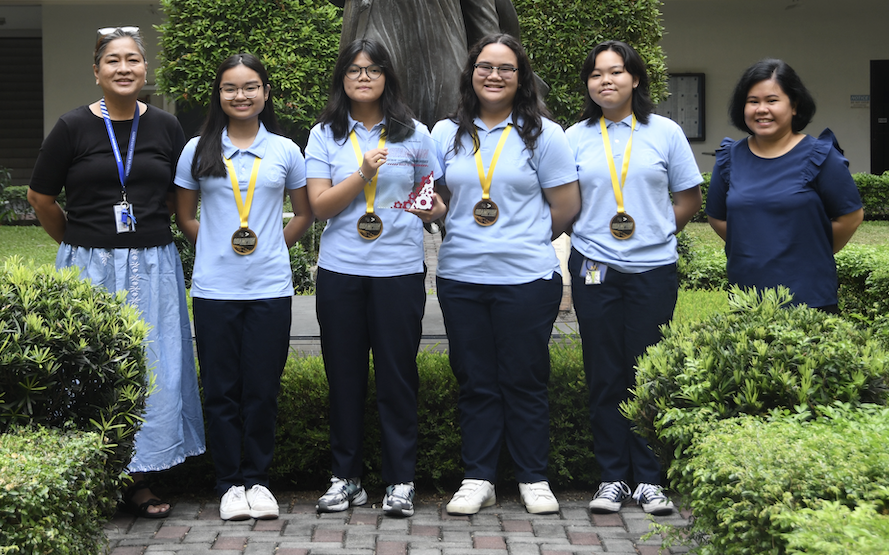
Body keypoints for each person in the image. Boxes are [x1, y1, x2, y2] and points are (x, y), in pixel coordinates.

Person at [27, 26, 205, 518]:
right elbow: (41, 198)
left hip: (153, 263)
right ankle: (90, 475)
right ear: (97, 70)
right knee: (88, 368)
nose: (123, 68)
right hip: (88, 266)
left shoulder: (167, 127)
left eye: (132, 60)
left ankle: (140, 479)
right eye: (113, 61)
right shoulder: (71, 127)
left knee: (155, 366)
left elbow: (178, 195)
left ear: (145, 69)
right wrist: (78, 244)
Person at [431, 33, 580, 516]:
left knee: (524, 378)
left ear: (521, 77)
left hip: (526, 279)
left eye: (506, 68)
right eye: (485, 67)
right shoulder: (444, 133)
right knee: (475, 379)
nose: (494, 76)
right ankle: (479, 478)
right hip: (461, 277)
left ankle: (534, 478)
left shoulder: (544, 134)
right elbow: (438, 197)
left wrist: (522, 236)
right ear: (470, 74)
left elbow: (565, 207)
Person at [304, 38, 443, 518]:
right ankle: (346, 479)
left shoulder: (415, 133)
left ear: (388, 77)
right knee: (343, 377)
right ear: (342, 78)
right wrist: (362, 173)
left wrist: (432, 205)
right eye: (354, 69)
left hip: (399, 271)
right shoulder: (325, 135)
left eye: (373, 69)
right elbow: (320, 206)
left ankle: (400, 481)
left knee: (397, 378)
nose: (363, 77)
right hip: (342, 271)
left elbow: (431, 195)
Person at [564, 40, 702, 516]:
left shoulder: (665, 132)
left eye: (617, 72)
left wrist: (657, 234)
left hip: (652, 270)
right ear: (588, 83)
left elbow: (687, 197)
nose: (607, 80)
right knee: (604, 373)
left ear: (636, 78)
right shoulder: (574, 136)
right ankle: (612, 479)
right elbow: (565, 202)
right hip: (594, 267)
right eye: (597, 73)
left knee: (647, 371)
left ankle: (648, 479)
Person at [174, 53, 314, 521]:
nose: (241, 95)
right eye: (231, 88)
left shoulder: (286, 151)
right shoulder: (197, 149)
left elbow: (305, 214)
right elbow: (186, 216)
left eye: (250, 86)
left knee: (262, 388)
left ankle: (258, 480)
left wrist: (270, 246)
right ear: (219, 95)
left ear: (265, 93)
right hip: (214, 291)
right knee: (220, 389)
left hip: (269, 290)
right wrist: (218, 248)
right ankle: (229, 484)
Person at [705, 59, 864, 312]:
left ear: (794, 105)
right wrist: (754, 245)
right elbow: (716, 217)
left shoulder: (820, 156)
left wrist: (811, 250)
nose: (761, 109)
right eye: (753, 101)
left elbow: (851, 216)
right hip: (748, 295)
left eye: (772, 100)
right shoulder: (730, 158)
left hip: (809, 296)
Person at [329, 0, 528, 127]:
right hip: (377, 19)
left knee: (453, 116)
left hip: (440, 30)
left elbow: (480, 10)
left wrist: (497, 55)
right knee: (369, 115)